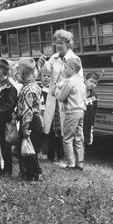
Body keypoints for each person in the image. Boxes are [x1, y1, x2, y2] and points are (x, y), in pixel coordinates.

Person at [40, 29, 82, 164]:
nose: (58, 46)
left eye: (62, 43)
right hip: (54, 98)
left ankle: (66, 158)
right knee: (54, 126)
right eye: (57, 43)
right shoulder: (54, 57)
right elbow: (46, 72)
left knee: (67, 129)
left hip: (68, 98)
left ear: (68, 44)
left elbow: (78, 79)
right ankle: (52, 156)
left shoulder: (74, 59)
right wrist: (42, 63)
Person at [54, 58, 86, 170]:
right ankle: (80, 163)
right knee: (78, 138)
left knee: (67, 138)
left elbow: (61, 97)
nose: (64, 69)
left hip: (71, 112)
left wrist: (57, 88)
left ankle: (70, 163)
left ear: (72, 69)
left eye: (66, 67)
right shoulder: (81, 81)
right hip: (81, 111)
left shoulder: (69, 81)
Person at [14, 57, 43, 181]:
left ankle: (32, 174)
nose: (15, 75)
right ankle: (28, 173)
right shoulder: (34, 86)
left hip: (30, 122)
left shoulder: (28, 89)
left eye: (17, 72)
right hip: (34, 120)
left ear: (24, 74)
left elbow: (27, 110)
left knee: (28, 149)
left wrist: (25, 127)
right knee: (29, 149)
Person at [83, 72, 100, 147]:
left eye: (95, 83)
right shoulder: (79, 92)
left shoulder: (94, 95)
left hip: (88, 123)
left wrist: (92, 127)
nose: (92, 84)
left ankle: (81, 158)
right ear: (85, 80)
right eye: (91, 81)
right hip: (78, 121)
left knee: (84, 143)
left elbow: (94, 112)